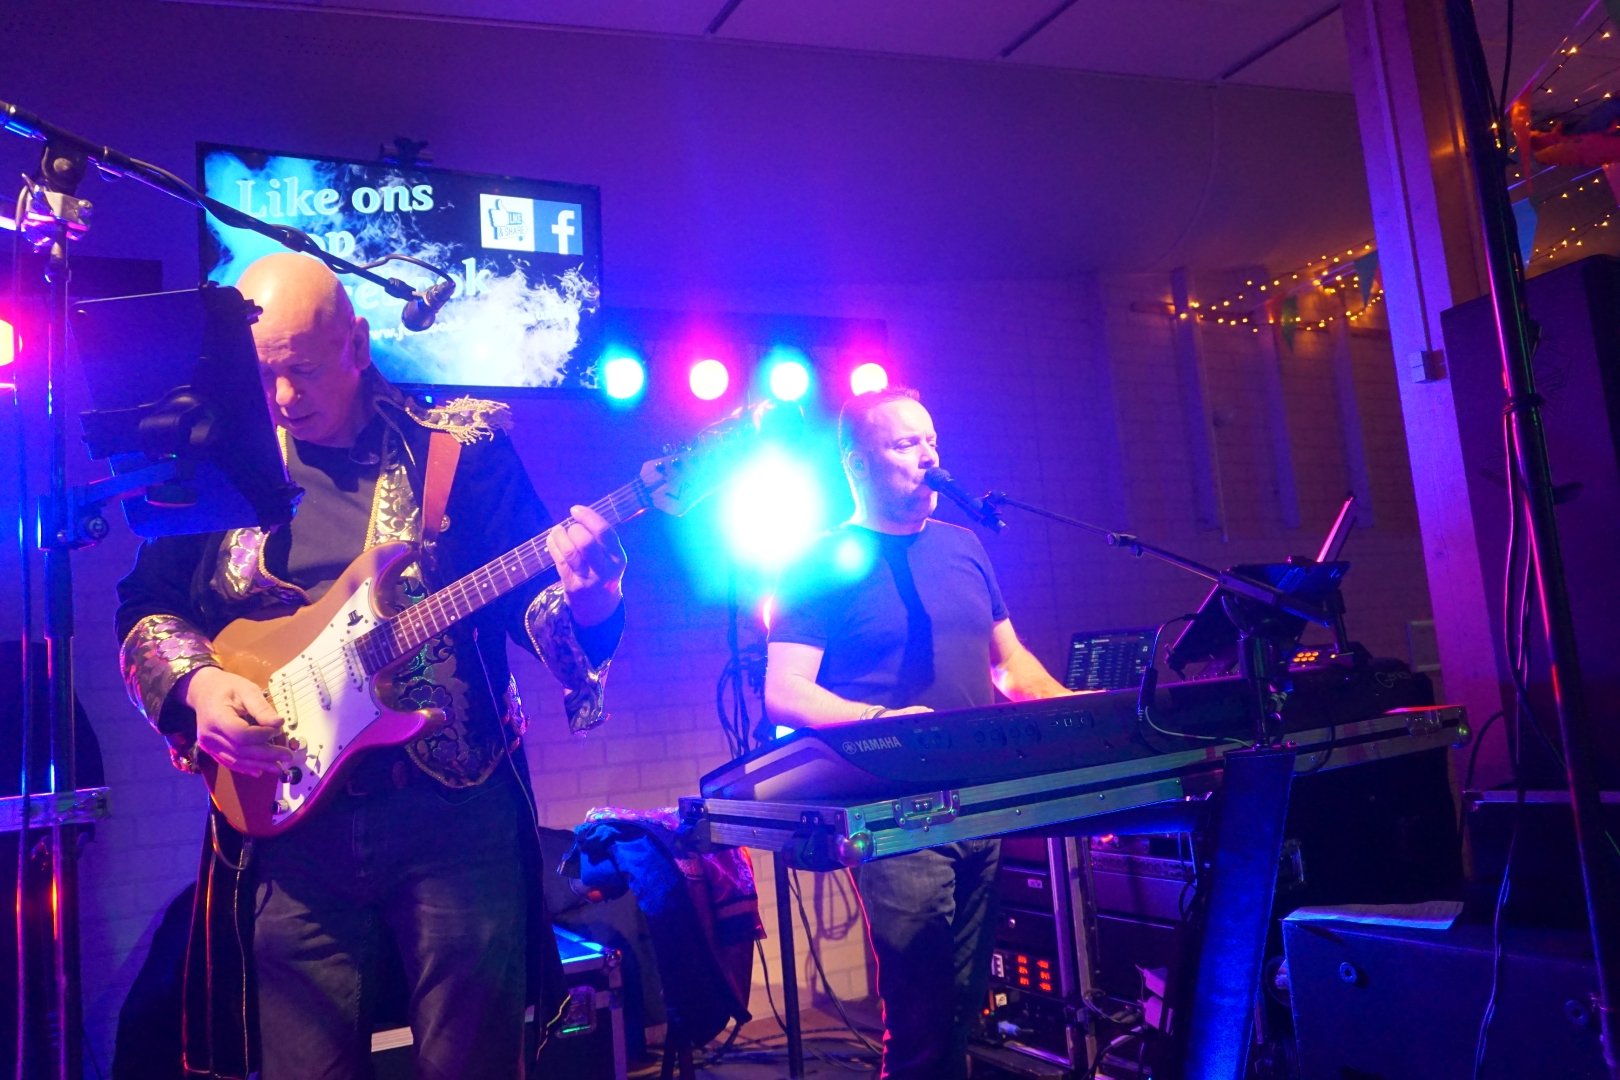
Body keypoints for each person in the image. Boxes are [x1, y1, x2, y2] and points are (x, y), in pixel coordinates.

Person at [115, 252, 627, 1080]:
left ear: (356, 343)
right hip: (287, 819)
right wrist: (200, 686)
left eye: (305, 370)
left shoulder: (457, 450)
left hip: (453, 809)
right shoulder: (211, 460)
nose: (284, 397)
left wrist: (593, 603)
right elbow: (146, 606)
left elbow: (528, 605)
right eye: (263, 375)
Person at [764, 386, 1071, 1080]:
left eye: (931, 439)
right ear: (857, 463)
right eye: (906, 443)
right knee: (922, 1019)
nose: (928, 455)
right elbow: (784, 691)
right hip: (898, 811)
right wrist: (881, 723)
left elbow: (1009, 664)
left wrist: (1078, 705)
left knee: (962, 1010)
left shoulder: (964, 546)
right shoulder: (817, 561)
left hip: (981, 802)